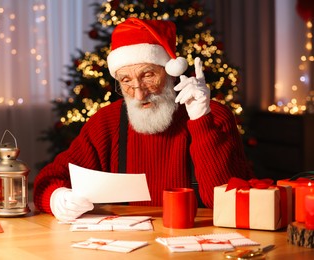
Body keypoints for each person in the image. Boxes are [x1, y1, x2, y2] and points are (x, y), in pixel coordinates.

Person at [33, 17, 254, 221]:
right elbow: (47, 180)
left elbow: (228, 203)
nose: (139, 94)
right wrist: (57, 198)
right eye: (126, 81)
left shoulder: (213, 116)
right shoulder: (107, 122)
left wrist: (201, 122)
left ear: (169, 71)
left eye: (148, 75)